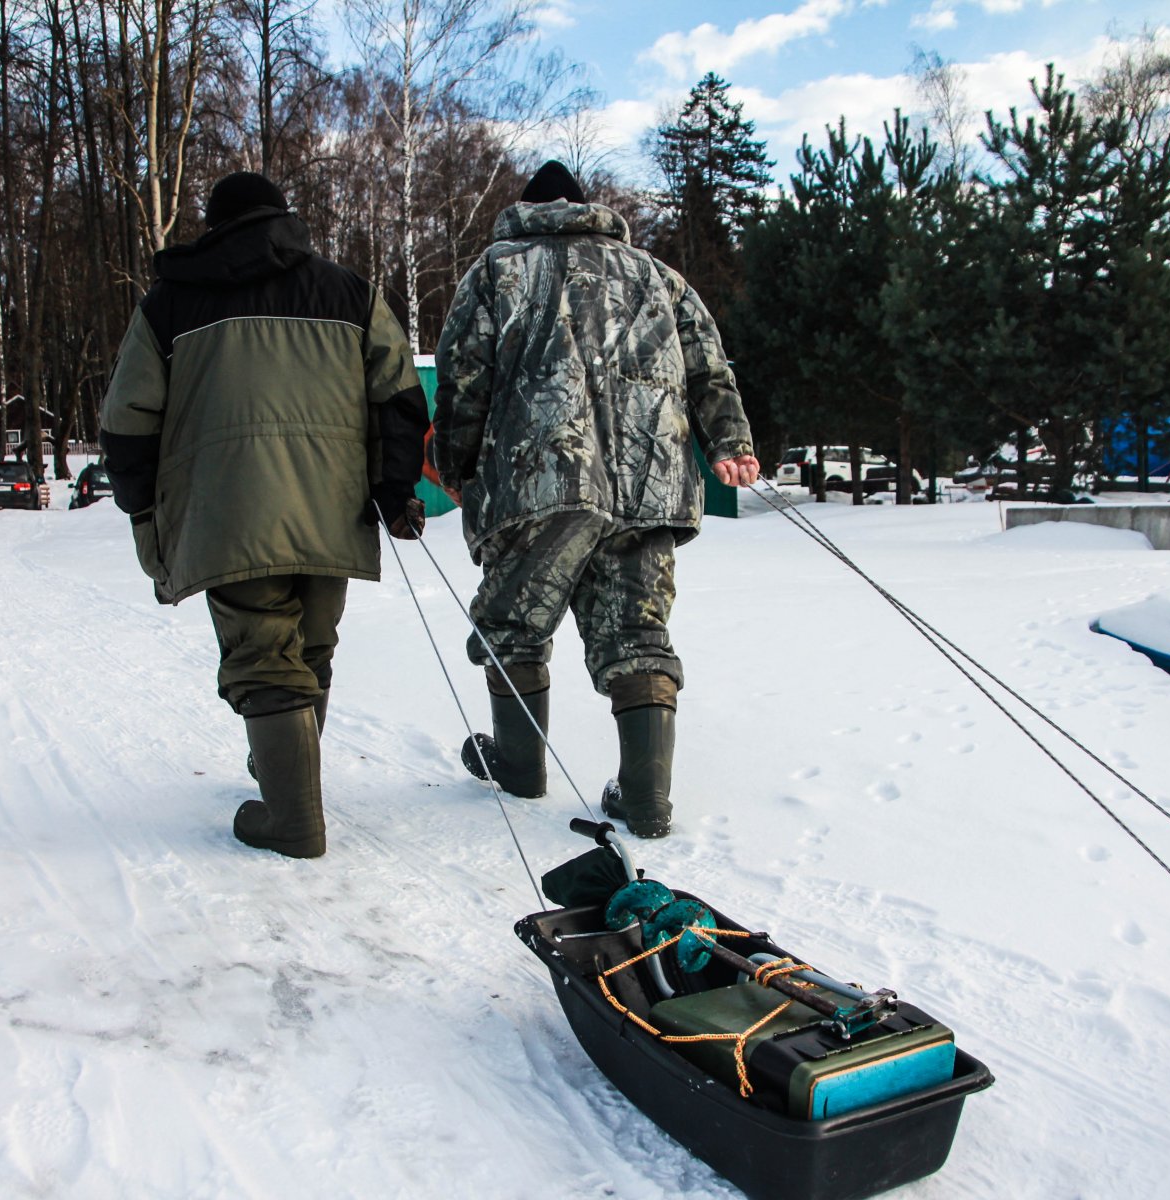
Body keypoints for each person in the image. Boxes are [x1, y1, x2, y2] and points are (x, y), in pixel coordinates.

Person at [101, 171, 428, 859]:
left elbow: (128, 417)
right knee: (311, 649)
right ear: (285, 218)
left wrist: (141, 502)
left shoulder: (171, 302)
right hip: (333, 508)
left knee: (262, 655)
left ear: (214, 226)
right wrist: (393, 487)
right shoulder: (349, 292)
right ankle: (286, 774)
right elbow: (398, 397)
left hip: (229, 509)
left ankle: (292, 820)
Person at [431, 161, 758, 839]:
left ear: (526, 209)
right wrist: (729, 440)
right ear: (586, 207)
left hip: (541, 481)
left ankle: (520, 766)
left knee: (513, 622)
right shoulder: (658, 276)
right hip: (651, 482)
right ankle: (646, 799)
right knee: (637, 632)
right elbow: (709, 367)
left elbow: (464, 380)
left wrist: (455, 462)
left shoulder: (497, 270)